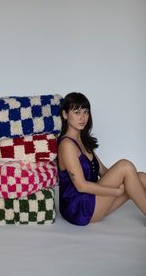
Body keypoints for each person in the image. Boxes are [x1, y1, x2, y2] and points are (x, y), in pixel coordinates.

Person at [58, 92, 146, 226]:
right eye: (77, 112)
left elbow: (104, 172)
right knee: (125, 166)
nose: (83, 117)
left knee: (140, 177)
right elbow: (81, 186)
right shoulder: (67, 145)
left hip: (93, 201)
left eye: (86, 112)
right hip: (79, 208)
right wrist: (116, 191)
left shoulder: (82, 141)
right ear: (65, 114)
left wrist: (126, 180)